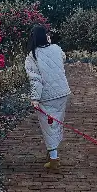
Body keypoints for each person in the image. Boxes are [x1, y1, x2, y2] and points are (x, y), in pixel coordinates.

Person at [25, 24, 71, 173]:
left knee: (48, 126)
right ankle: (52, 152)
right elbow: (63, 58)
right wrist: (50, 44)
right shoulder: (57, 49)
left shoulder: (32, 56)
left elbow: (35, 80)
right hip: (62, 92)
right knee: (57, 123)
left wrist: (35, 98)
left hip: (46, 96)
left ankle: (53, 158)